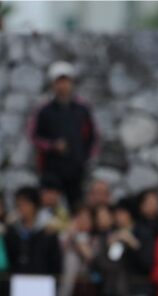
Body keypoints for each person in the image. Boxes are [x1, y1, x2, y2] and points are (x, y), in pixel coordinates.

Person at [29, 61, 98, 209]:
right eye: (59, 81)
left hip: (76, 170)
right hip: (52, 170)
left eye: (66, 81)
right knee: (50, 209)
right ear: (53, 84)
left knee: (76, 207)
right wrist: (52, 146)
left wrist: (84, 157)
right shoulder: (44, 110)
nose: (63, 85)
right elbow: (34, 137)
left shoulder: (82, 109)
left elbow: (92, 136)